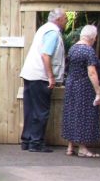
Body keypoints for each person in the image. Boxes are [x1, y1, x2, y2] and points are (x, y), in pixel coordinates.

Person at [19, 8, 67, 153]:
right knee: (41, 111)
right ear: (58, 19)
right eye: (65, 18)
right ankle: (36, 142)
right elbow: (46, 55)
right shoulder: (53, 32)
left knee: (30, 109)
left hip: (30, 74)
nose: (66, 21)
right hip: (40, 76)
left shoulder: (43, 29)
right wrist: (51, 76)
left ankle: (27, 140)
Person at [62, 25, 100, 158]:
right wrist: (98, 92)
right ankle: (82, 148)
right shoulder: (88, 51)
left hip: (71, 85)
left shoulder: (73, 49)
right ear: (93, 38)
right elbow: (92, 72)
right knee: (83, 115)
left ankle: (70, 147)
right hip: (83, 87)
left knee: (72, 114)